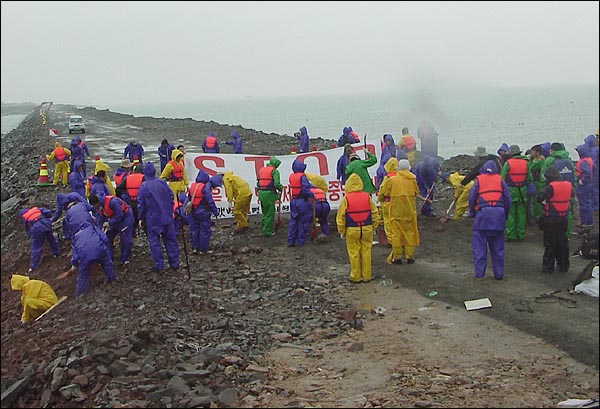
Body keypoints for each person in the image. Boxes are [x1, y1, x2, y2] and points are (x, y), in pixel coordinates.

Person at [379, 159, 428, 264]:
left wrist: (381, 199)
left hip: (396, 211)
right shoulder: (412, 180)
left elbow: (384, 193)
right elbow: (416, 192)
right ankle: (409, 256)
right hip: (409, 211)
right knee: (409, 232)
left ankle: (397, 257)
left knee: (396, 234)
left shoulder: (392, 180)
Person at [468, 160, 511, 280]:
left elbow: (471, 198)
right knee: (498, 248)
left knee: (479, 248)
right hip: (498, 215)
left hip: (482, 215)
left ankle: (479, 275)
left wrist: (472, 212)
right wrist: (505, 215)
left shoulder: (478, 181)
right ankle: (499, 274)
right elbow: (508, 199)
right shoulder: (500, 180)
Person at [336, 174, 380, 283]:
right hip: (367, 227)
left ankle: (355, 277)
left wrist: (341, 230)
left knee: (353, 252)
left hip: (352, 229)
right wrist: (375, 225)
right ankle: (367, 276)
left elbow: (341, 216)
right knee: (366, 251)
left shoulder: (346, 199)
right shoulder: (367, 197)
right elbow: (374, 212)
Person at [137, 162, 180, 271]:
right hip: (166, 216)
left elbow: (140, 204)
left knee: (155, 243)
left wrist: (141, 218)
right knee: (171, 240)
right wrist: (169, 210)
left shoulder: (144, 186)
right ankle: (174, 263)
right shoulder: (162, 183)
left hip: (152, 219)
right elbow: (171, 196)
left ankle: (159, 265)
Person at [536, 166, 573, 273]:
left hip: (551, 218)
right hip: (564, 218)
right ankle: (564, 265)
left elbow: (539, 198)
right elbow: (572, 194)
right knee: (563, 241)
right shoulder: (568, 185)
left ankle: (548, 267)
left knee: (550, 243)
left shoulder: (550, 187)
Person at [71, 221, 116, 297]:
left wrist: (74, 264)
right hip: (99, 249)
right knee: (106, 263)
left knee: (84, 273)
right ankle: (111, 279)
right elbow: (105, 239)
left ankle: (80, 292)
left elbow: (75, 253)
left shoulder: (76, 236)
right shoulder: (92, 227)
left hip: (84, 255)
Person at [541, 142, 576, 236]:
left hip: (554, 190)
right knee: (568, 212)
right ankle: (567, 233)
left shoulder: (549, 160)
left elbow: (543, 176)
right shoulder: (569, 160)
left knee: (554, 211)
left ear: (552, 150)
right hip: (569, 189)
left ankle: (554, 234)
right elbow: (574, 176)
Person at [89, 194, 134, 267]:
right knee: (107, 237)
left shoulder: (112, 202)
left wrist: (109, 223)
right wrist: (100, 230)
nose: (95, 208)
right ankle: (109, 258)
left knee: (125, 240)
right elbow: (100, 218)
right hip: (113, 219)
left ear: (97, 203)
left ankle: (124, 259)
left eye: (94, 206)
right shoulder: (99, 207)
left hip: (125, 218)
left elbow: (120, 214)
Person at [500, 144, 534, 241]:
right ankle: (520, 234)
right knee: (521, 213)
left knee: (511, 213)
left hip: (510, 190)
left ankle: (510, 234)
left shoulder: (508, 163)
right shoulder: (526, 163)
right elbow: (529, 179)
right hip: (522, 191)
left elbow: (502, 178)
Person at [187, 172, 223, 254]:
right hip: (203, 211)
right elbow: (210, 201)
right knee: (204, 230)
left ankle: (195, 248)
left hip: (193, 211)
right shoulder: (205, 188)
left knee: (195, 229)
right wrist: (216, 212)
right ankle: (203, 249)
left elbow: (188, 198)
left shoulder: (193, 186)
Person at [19, 206, 60, 273]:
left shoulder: (24, 216)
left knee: (36, 247)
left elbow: (27, 228)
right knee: (51, 239)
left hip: (36, 228)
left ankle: (33, 266)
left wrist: (32, 234)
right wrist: (47, 219)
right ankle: (56, 253)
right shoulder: (36, 209)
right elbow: (48, 212)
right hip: (46, 224)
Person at [287, 159, 315, 247]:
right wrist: (312, 194)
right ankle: (300, 241)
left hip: (293, 201)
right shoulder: (302, 177)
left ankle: (291, 241)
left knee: (293, 221)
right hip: (302, 201)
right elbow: (305, 189)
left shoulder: (291, 176)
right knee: (303, 222)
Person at [256, 156, 283, 237]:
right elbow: (277, 184)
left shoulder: (262, 169)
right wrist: (280, 188)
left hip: (261, 193)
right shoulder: (274, 171)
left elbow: (259, 182)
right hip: (269, 194)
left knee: (264, 212)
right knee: (270, 213)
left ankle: (264, 228)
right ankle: (267, 232)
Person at [116, 164, 144, 236]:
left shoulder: (128, 178)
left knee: (132, 219)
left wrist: (120, 199)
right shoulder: (143, 178)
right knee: (143, 218)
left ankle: (132, 233)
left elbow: (118, 189)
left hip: (130, 201)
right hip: (141, 202)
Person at [376, 157, 398, 244]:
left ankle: (392, 241)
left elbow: (382, 191)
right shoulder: (401, 177)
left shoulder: (387, 178)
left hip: (388, 203)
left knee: (388, 222)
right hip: (398, 202)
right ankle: (399, 239)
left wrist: (380, 199)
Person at [574, 143, 594, 230]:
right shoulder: (589, 160)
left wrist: (583, 181)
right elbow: (594, 169)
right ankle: (585, 221)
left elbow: (588, 172)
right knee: (586, 203)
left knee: (584, 204)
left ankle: (587, 222)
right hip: (589, 184)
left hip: (584, 185)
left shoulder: (583, 162)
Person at [306, 172, 330, 241]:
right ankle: (326, 232)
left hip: (317, 205)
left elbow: (308, 202)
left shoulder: (309, 191)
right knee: (324, 219)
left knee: (308, 219)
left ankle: (308, 233)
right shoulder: (320, 190)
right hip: (325, 205)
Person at [528, 145, 546, 223]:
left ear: (537, 152)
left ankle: (536, 217)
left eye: (533, 151)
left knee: (535, 200)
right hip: (539, 181)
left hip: (536, 182)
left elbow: (530, 169)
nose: (531, 153)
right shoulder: (542, 159)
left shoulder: (538, 161)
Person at [583, 132, 599, 212]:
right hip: (596, 171)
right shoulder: (596, 149)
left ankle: (595, 205)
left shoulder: (593, 150)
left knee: (594, 189)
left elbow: (593, 162)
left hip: (595, 173)